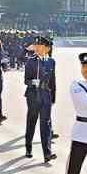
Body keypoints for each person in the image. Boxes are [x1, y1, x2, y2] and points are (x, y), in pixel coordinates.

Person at [24, 35, 57, 163]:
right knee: (31, 122)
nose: (37, 48)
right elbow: (26, 80)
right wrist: (33, 82)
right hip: (33, 95)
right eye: (36, 46)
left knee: (46, 124)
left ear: (47, 49)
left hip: (46, 96)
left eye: (40, 46)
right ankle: (28, 147)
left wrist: (53, 96)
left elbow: (53, 81)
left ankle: (47, 153)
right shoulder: (31, 61)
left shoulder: (51, 62)